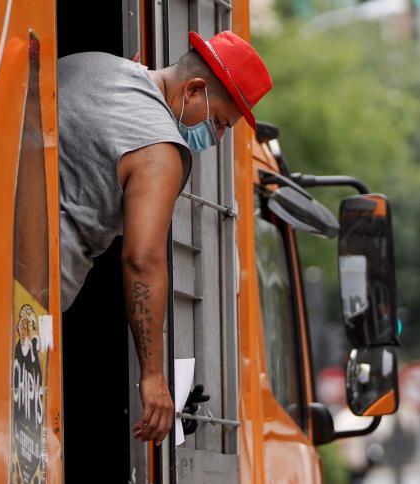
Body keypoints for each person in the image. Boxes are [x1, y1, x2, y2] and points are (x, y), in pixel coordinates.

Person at [58, 31, 272, 446]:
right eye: (221, 122)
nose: (218, 137)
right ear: (194, 89)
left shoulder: (93, 63)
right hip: (24, 298)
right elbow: (143, 259)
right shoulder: (161, 148)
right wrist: (153, 376)